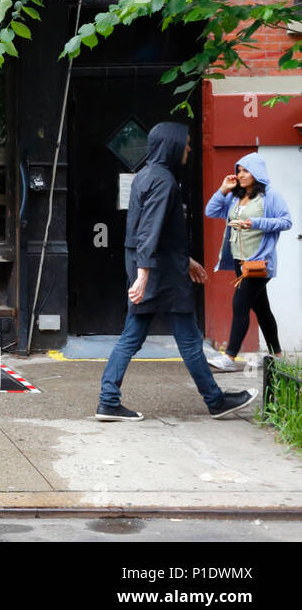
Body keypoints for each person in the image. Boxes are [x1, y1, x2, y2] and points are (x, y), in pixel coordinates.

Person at [96, 121, 257, 421]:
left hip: (158, 266)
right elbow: (149, 231)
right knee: (188, 338)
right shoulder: (164, 181)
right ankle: (215, 400)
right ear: (171, 145)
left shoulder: (145, 176)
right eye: (185, 143)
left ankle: (108, 401)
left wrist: (187, 261)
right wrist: (145, 275)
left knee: (133, 336)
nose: (189, 148)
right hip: (161, 275)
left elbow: (155, 233)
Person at [203, 152, 291, 371]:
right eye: (238, 170)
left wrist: (255, 223)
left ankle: (230, 357)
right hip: (239, 262)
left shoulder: (270, 196)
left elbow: (286, 221)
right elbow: (211, 210)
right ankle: (277, 355)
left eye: (245, 170)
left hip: (260, 263)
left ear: (257, 172)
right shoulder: (235, 196)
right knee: (262, 308)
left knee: (239, 303)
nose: (240, 175)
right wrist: (223, 189)